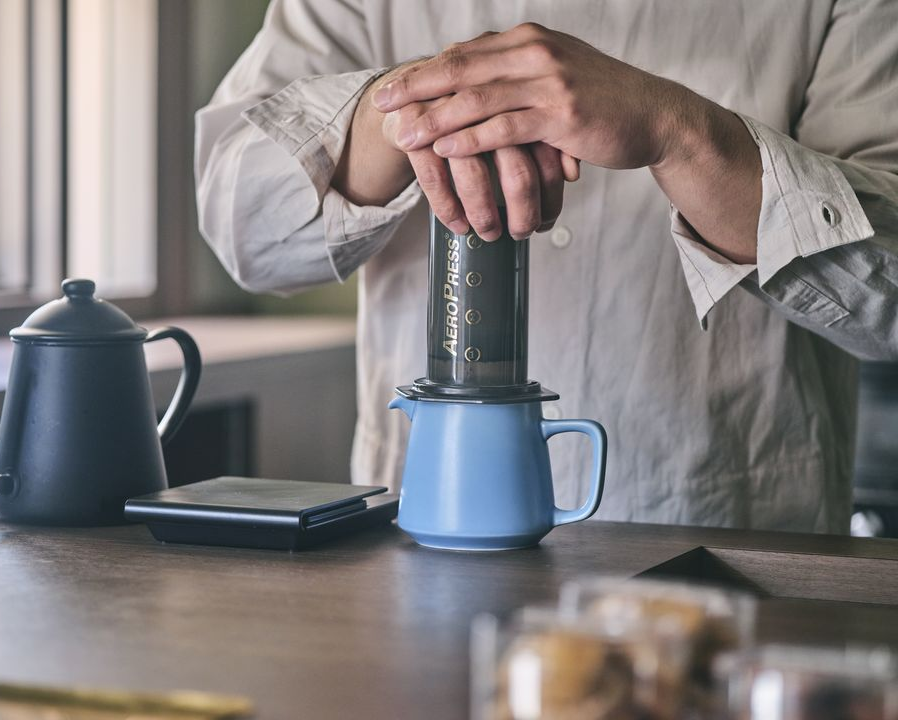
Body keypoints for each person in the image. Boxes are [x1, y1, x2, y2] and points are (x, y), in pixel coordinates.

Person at [195, 0, 898, 534]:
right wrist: (415, 113)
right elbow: (239, 227)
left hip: (732, 544)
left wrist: (680, 133)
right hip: (421, 543)